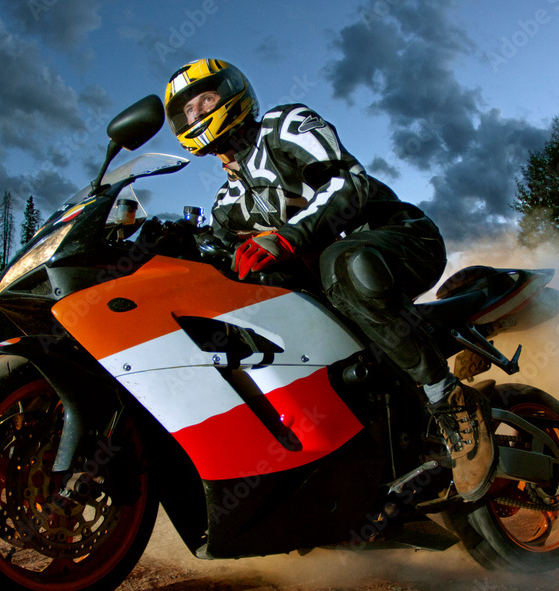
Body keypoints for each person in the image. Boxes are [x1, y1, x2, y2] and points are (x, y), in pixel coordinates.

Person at [164, 58, 497, 502]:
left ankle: (452, 401)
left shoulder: (284, 125)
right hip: (336, 290)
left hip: (397, 239)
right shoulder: (226, 203)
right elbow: (217, 259)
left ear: (232, 93)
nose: (198, 113)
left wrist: (286, 237)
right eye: (187, 111)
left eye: (206, 98)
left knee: (342, 264)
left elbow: (347, 184)